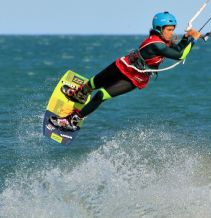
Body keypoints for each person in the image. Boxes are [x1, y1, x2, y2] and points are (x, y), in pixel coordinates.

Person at [50, 12, 201, 130]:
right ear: (159, 29)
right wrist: (193, 40)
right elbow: (180, 55)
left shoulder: (162, 42)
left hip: (134, 79)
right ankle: (79, 94)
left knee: (101, 95)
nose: (171, 33)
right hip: (123, 66)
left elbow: (177, 50)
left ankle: (72, 120)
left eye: (172, 29)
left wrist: (186, 38)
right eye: (168, 30)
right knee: (92, 82)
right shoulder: (156, 44)